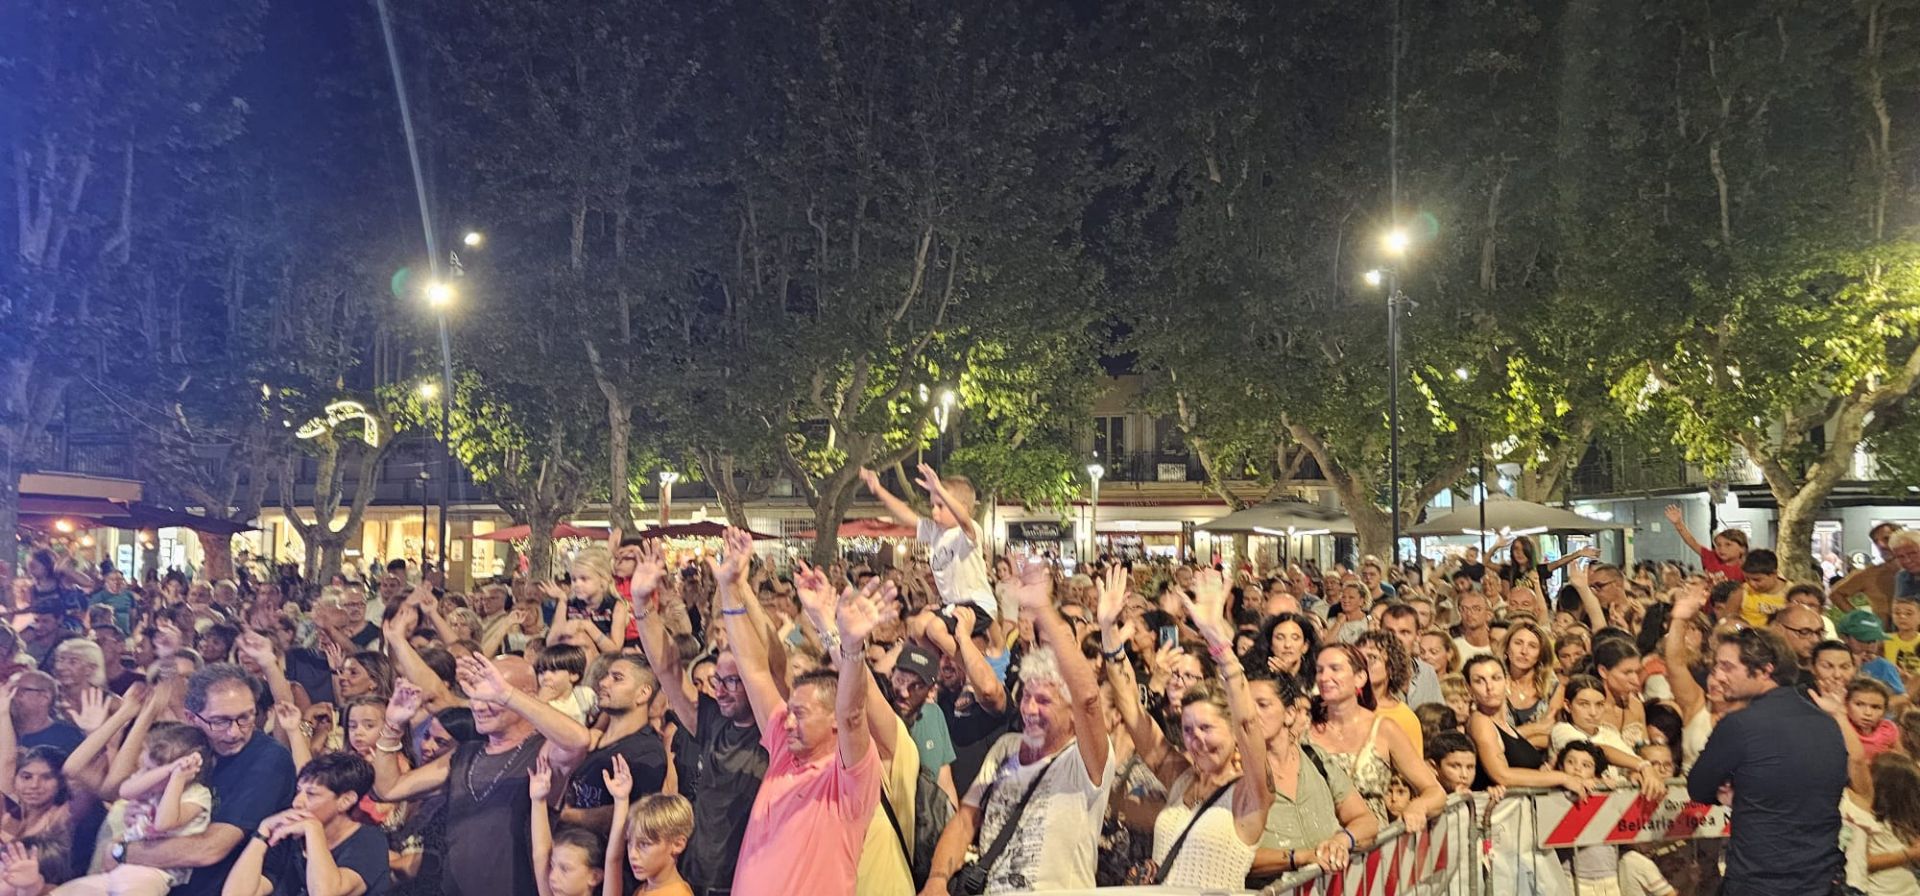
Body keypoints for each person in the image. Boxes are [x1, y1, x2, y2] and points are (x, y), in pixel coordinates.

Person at [921, 556, 1112, 895]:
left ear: (1072, 714)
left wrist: (1043, 610)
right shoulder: (1006, 748)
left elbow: (1088, 700)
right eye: (1026, 697)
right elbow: (966, 820)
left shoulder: (1085, 762)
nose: (1029, 709)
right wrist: (937, 879)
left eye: (1044, 701)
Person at [718, 528, 883, 895]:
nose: (787, 721)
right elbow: (753, 669)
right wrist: (729, 586)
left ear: (833, 720)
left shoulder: (848, 779)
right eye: (790, 710)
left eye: (802, 713)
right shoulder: (784, 747)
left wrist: (851, 648)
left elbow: (853, 714)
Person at [1096, 567, 1271, 888]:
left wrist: (1221, 647)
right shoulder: (1181, 778)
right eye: (1189, 730)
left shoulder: (1250, 793)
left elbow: (1248, 723)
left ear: (1232, 731)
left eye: (1206, 727)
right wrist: (1108, 634)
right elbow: (1132, 712)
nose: (1196, 739)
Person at [368, 654, 590, 896]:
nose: (478, 706)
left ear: (524, 696)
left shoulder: (542, 751)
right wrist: (393, 726)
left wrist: (506, 694)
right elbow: (388, 789)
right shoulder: (465, 754)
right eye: (475, 696)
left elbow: (578, 741)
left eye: (490, 697)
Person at [628, 540, 768, 894]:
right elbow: (668, 670)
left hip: (747, 881)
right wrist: (642, 603)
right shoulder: (714, 720)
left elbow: (774, 662)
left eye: (732, 681)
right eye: (718, 680)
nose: (720, 690)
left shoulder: (775, 733)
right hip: (697, 876)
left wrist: (735, 587)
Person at [1688, 627, 1849, 895]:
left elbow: (1699, 787)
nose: (1718, 675)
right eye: (1716, 666)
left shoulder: (1740, 725)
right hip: (1820, 880)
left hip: (1760, 881)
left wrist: (1740, 792)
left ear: (1765, 670)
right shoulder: (1828, 723)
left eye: (1727, 667)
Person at [115, 664, 297, 896]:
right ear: (191, 718)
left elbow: (210, 849)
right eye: (220, 721)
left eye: (245, 717)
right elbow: (119, 789)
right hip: (167, 879)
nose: (235, 732)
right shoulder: (185, 748)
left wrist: (123, 851)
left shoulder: (269, 758)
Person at [55, 722, 215, 896]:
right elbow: (125, 791)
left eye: (150, 770)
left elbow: (163, 823)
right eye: (143, 768)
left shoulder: (196, 795)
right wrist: (166, 770)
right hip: (122, 863)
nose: (144, 775)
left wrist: (176, 778)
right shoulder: (150, 787)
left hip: (155, 871)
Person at [221, 752, 391, 896]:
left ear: (345, 800)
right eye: (298, 791)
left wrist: (313, 829)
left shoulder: (369, 841)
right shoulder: (288, 838)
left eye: (311, 794)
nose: (297, 802)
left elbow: (325, 892)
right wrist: (262, 833)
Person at [860, 465, 997, 622]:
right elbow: (905, 514)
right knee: (916, 625)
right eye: (932, 506)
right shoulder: (934, 531)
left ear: (962, 508)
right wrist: (878, 489)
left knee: (934, 628)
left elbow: (964, 520)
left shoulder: (968, 531)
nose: (934, 511)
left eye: (940, 505)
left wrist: (940, 489)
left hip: (977, 605)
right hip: (952, 606)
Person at [1663, 505, 1748, 583]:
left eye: (1728, 545)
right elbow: (1691, 542)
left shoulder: (1746, 569)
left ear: (1742, 549)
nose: (1721, 548)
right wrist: (1678, 523)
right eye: (1718, 545)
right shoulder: (1711, 557)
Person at [1728, 549, 1790, 629]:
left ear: (1774, 574)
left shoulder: (1791, 593)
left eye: (1757, 580)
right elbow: (1727, 621)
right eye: (1747, 578)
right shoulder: (1742, 592)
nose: (1751, 584)